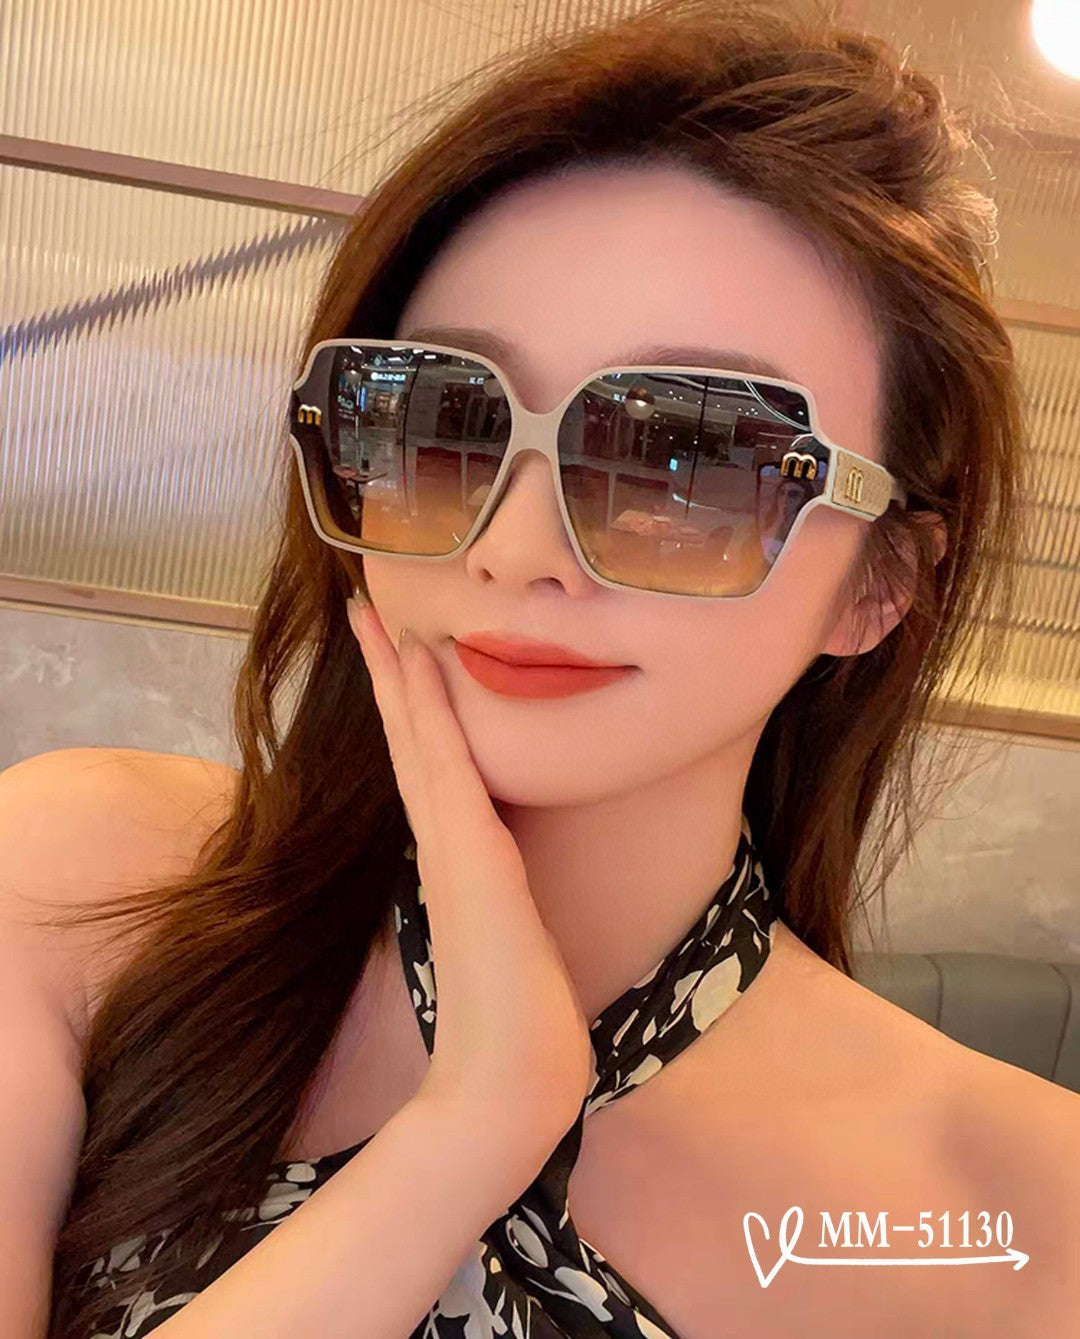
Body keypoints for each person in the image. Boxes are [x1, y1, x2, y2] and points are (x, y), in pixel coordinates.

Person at [5, 2, 1076, 1337]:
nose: (513, 549)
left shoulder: (1025, 1217)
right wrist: (467, 1129)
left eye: (688, 461)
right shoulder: (83, 890)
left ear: (880, 582)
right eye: (438, 418)